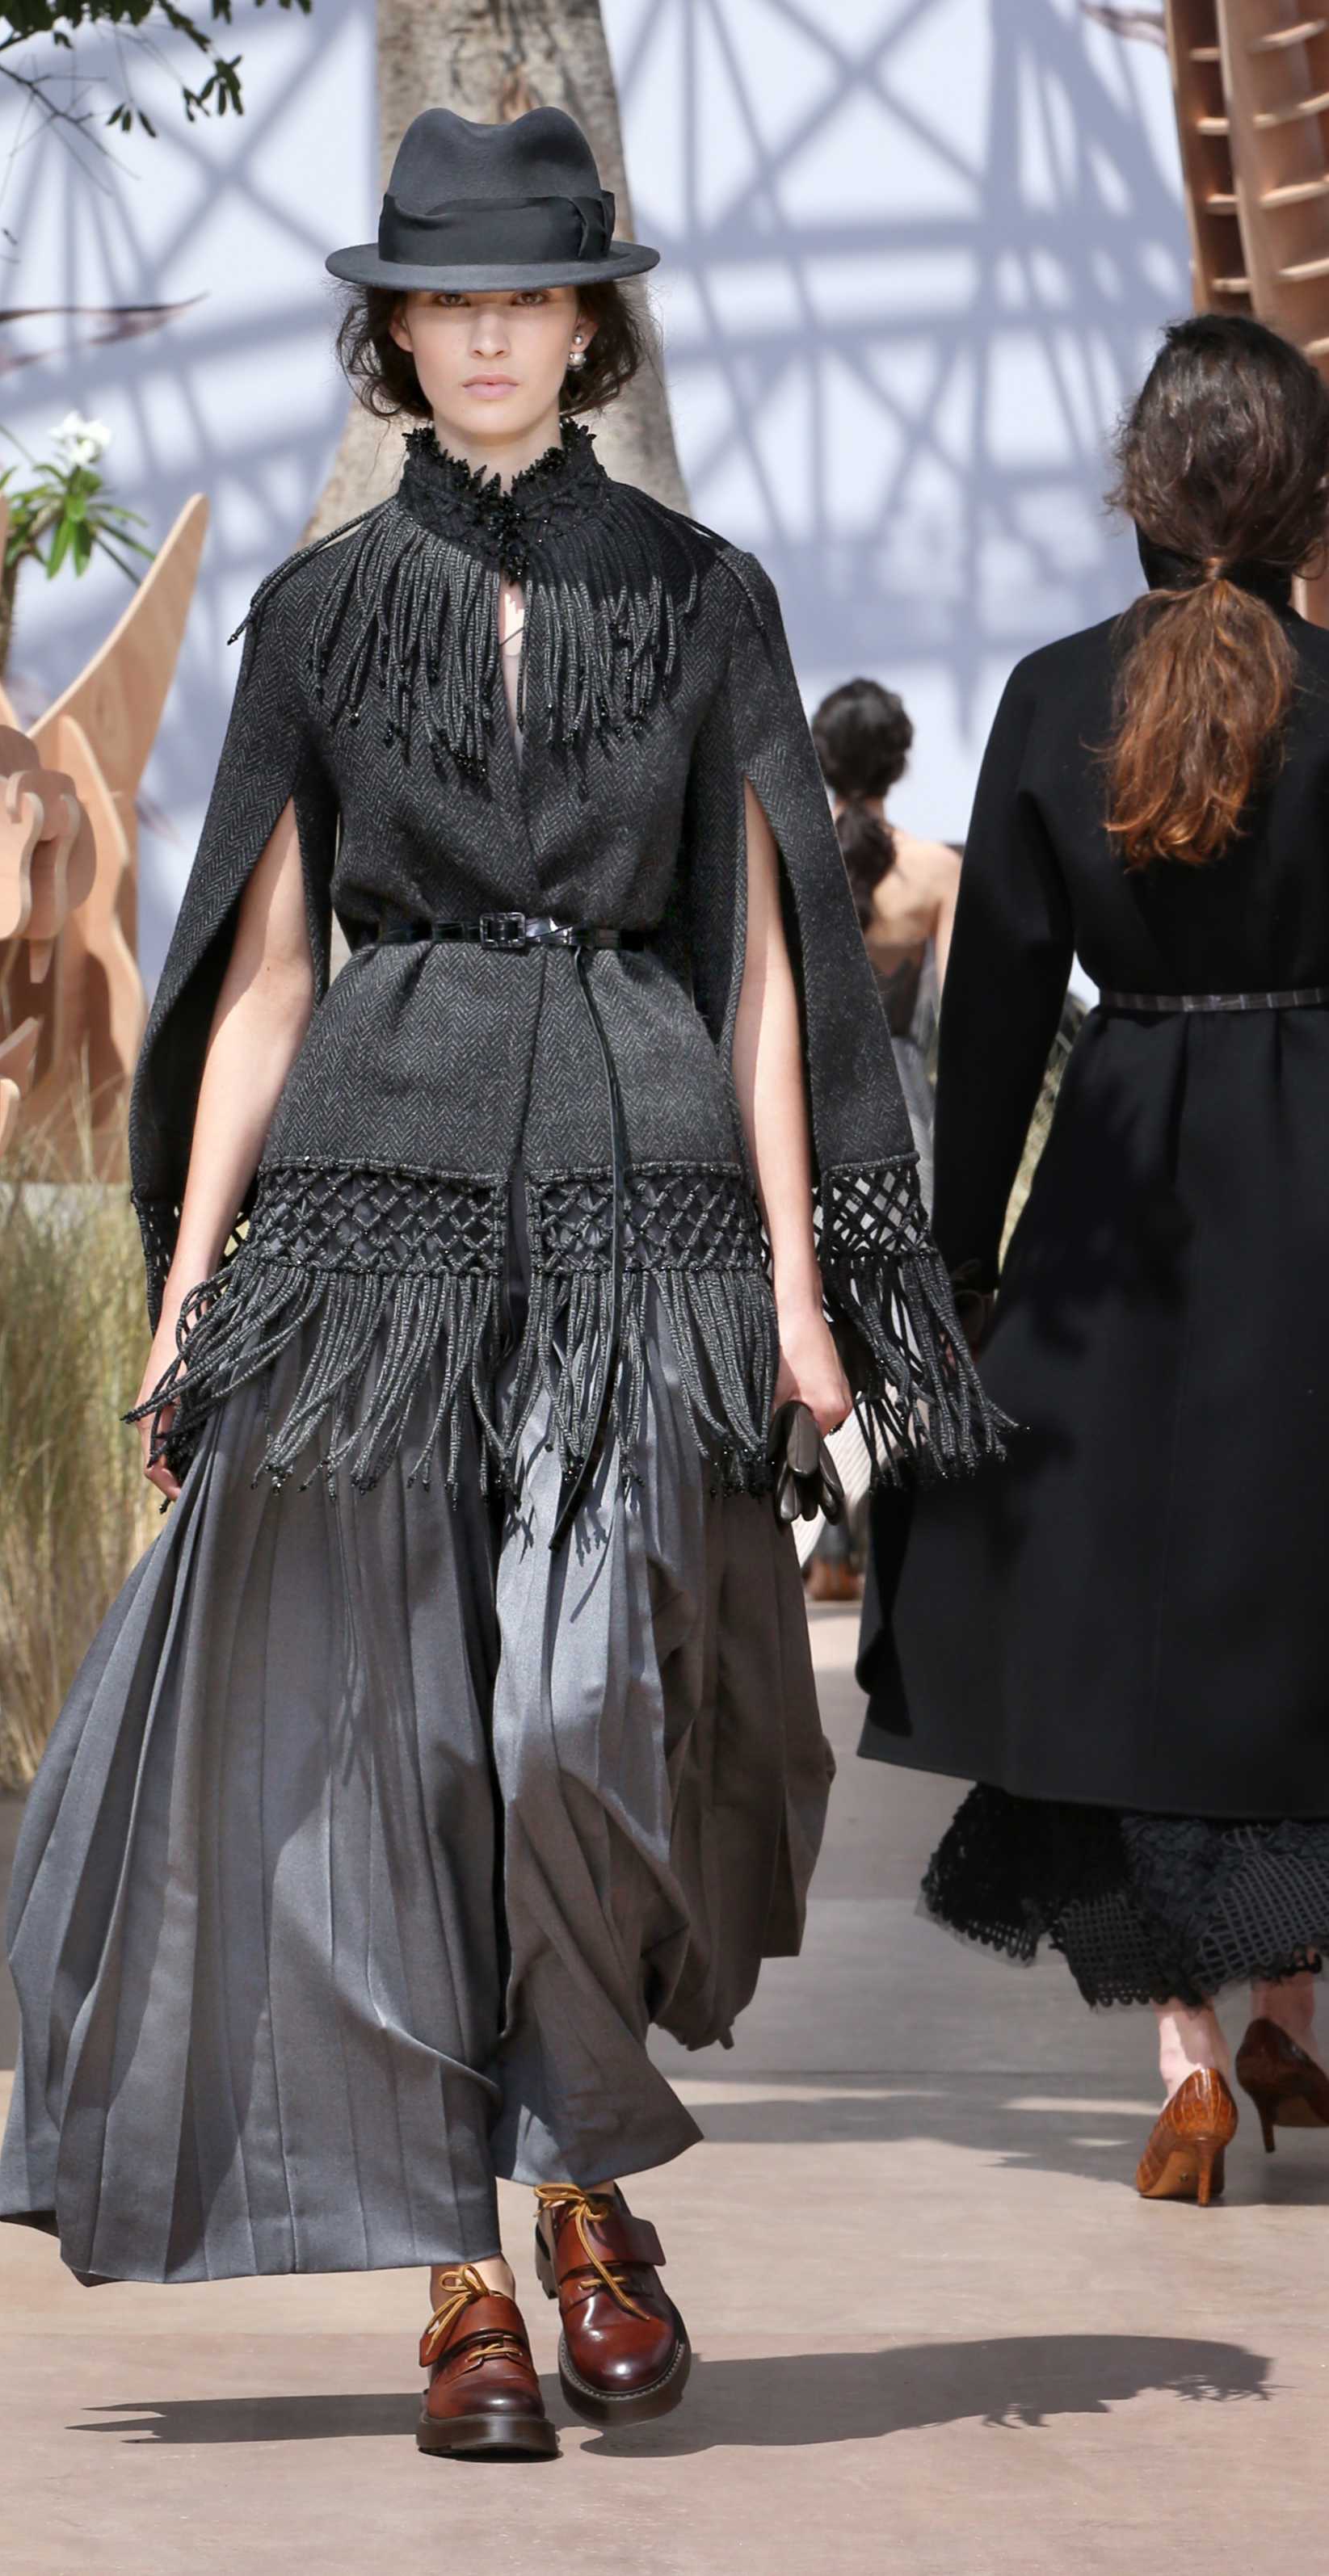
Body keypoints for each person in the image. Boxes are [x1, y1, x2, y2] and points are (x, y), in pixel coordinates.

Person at [0, 105, 993, 2460]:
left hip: (646, 1214)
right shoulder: (323, 613)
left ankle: (576, 2178)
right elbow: (262, 972)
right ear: (395, 330)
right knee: (395, 1750)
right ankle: (482, 2262)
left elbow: (761, 962)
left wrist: (802, 1289)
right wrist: (187, 1285)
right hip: (371, 1225)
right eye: (446, 299)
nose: (483, 336)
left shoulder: (704, 596)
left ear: (583, 323)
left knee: (581, 1713)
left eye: (523, 296)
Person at [858, 313, 1329, 2204]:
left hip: (1117, 1202)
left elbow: (987, 1022)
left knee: (1125, 1619)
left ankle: (1190, 2062)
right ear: (1304, 503)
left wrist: (958, 1267)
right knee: (1287, 1590)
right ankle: (1292, 2007)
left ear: (1137, 492)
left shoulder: (1055, 697)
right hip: (1311, 1188)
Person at [811, 678, 960, 1209]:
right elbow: (961, 1013)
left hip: (805, 1089)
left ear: (821, 759)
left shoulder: (788, 862)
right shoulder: (937, 870)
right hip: (902, 1095)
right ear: (897, 763)